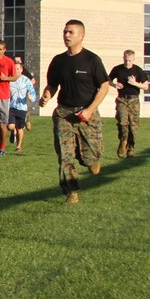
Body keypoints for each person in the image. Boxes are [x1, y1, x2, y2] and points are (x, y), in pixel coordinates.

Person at [39, 20, 109, 204]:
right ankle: (72, 192)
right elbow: (53, 84)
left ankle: (91, 160)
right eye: (64, 32)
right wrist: (46, 96)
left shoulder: (92, 60)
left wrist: (90, 110)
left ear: (81, 36)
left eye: (70, 32)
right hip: (64, 114)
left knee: (90, 157)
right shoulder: (58, 61)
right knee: (65, 154)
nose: (66, 36)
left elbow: (104, 86)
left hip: (87, 114)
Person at [108, 50, 149, 158]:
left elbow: (146, 86)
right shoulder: (118, 69)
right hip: (122, 99)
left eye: (130, 60)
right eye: (126, 60)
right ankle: (123, 141)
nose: (127, 62)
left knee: (133, 127)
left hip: (134, 100)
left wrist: (135, 83)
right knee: (122, 122)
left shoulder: (138, 70)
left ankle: (131, 148)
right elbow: (107, 80)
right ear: (123, 58)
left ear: (133, 59)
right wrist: (114, 84)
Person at [7, 62, 36, 153]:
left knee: (20, 128)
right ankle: (13, 131)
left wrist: (31, 98)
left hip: (22, 108)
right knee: (11, 126)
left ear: (21, 70)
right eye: (14, 69)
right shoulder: (10, 79)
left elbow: (33, 93)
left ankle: (18, 146)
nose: (16, 71)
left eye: (18, 69)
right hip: (11, 107)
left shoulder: (26, 80)